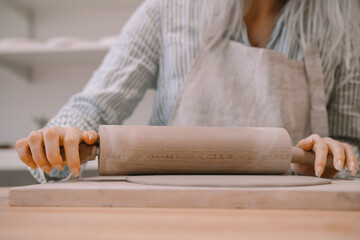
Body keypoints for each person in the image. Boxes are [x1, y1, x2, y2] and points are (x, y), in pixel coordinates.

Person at [15, 0, 360, 183]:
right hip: (165, 217)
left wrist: (338, 160)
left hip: (290, 222)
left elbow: (351, 143)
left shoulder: (344, 26)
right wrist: (58, 141)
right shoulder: (168, 9)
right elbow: (94, 107)